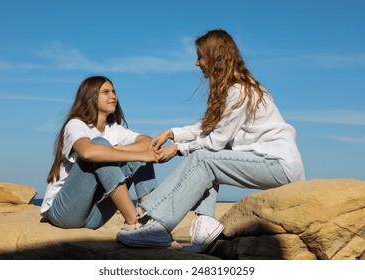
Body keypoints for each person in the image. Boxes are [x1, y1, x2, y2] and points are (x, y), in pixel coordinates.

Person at [117, 29, 305, 252]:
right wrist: (171, 133)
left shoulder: (239, 91)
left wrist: (178, 149)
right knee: (208, 157)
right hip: (266, 162)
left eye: (200, 56)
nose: (197, 63)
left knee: (205, 158)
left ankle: (158, 227)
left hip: (278, 166)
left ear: (216, 57)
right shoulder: (234, 89)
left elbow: (215, 141)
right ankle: (204, 222)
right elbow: (208, 128)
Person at [40, 75, 158, 230]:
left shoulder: (114, 129)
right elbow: (87, 152)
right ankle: (133, 223)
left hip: (93, 217)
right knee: (99, 146)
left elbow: (148, 143)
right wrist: (124, 152)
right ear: (90, 97)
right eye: (106, 92)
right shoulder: (76, 124)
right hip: (64, 212)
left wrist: (118, 149)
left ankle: (152, 218)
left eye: (114, 92)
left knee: (134, 157)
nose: (113, 96)